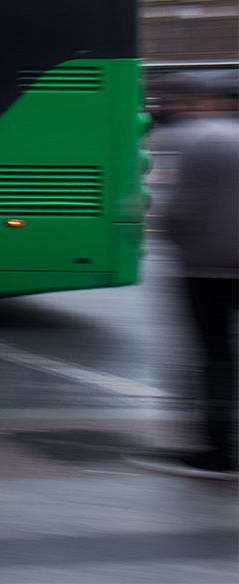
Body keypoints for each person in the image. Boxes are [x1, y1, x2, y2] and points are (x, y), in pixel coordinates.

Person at [137, 69, 238, 482]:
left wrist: (162, 227)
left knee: (214, 356)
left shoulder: (195, 139)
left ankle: (216, 449)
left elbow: (185, 211)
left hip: (206, 268)